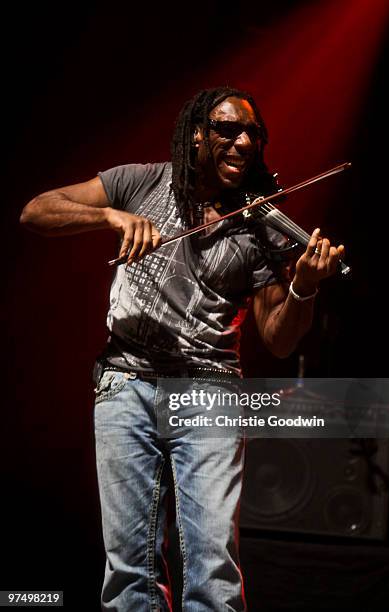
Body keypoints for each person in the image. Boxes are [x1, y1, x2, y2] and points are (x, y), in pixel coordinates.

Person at [20, 86, 345, 611]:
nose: (243, 141)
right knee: (129, 571)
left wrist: (304, 287)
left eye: (252, 134)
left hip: (208, 390)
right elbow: (36, 211)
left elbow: (280, 340)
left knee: (212, 568)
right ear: (197, 133)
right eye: (227, 129)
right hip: (124, 382)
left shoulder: (261, 225)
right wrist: (110, 217)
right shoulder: (141, 181)